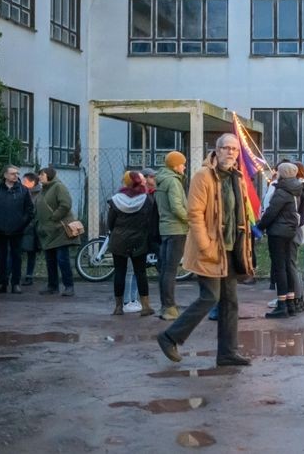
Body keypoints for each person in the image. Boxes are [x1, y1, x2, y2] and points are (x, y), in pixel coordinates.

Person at [157, 134, 255, 367]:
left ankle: (227, 353)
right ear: (216, 150)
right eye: (226, 148)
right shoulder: (203, 176)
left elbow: (238, 213)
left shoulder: (237, 177)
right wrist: (204, 246)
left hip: (231, 249)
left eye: (234, 149)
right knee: (210, 296)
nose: (230, 152)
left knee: (230, 301)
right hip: (210, 248)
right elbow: (195, 213)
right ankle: (169, 337)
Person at [106, 170, 158, 316]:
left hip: (118, 240)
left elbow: (110, 222)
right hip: (139, 239)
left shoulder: (116, 199)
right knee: (140, 272)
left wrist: (117, 231)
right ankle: (146, 307)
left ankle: (118, 307)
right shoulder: (146, 199)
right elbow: (150, 220)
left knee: (120, 272)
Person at [260, 161, 304, 318]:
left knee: (279, 267)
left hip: (278, 232)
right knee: (287, 266)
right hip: (290, 231)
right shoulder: (297, 189)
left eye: (278, 171)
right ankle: (290, 302)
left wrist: (259, 227)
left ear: (283, 173)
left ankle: (282, 305)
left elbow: (271, 212)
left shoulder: (281, 191)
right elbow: (301, 211)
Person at [0, 165, 34, 295]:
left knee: (17, 257)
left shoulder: (23, 190)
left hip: (17, 230)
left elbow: (29, 210)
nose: (16, 176)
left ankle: (15, 283)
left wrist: (22, 224)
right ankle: (2, 283)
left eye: (17, 173)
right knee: (1, 257)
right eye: (13, 173)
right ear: (5, 175)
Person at [154, 151, 189, 320]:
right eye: (182, 163)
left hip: (165, 229)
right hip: (177, 230)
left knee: (165, 269)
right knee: (171, 270)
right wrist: (191, 219)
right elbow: (177, 207)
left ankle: (165, 306)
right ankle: (170, 308)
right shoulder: (173, 182)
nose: (184, 166)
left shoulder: (161, 180)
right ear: (175, 165)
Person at [35, 167, 79, 296]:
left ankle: (69, 286)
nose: (40, 177)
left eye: (42, 175)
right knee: (50, 259)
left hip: (60, 230)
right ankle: (52, 286)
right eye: (39, 175)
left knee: (62, 259)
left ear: (49, 175)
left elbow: (65, 204)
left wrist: (54, 217)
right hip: (48, 232)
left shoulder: (58, 187)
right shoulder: (43, 190)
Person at [19, 173, 41, 285]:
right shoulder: (21, 191)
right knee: (17, 251)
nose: (22, 183)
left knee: (31, 252)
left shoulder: (39, 194)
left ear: (32, 182)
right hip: (21, 224)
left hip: (32, 226)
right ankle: (13, 274)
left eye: (24, 181)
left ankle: (29, 275)